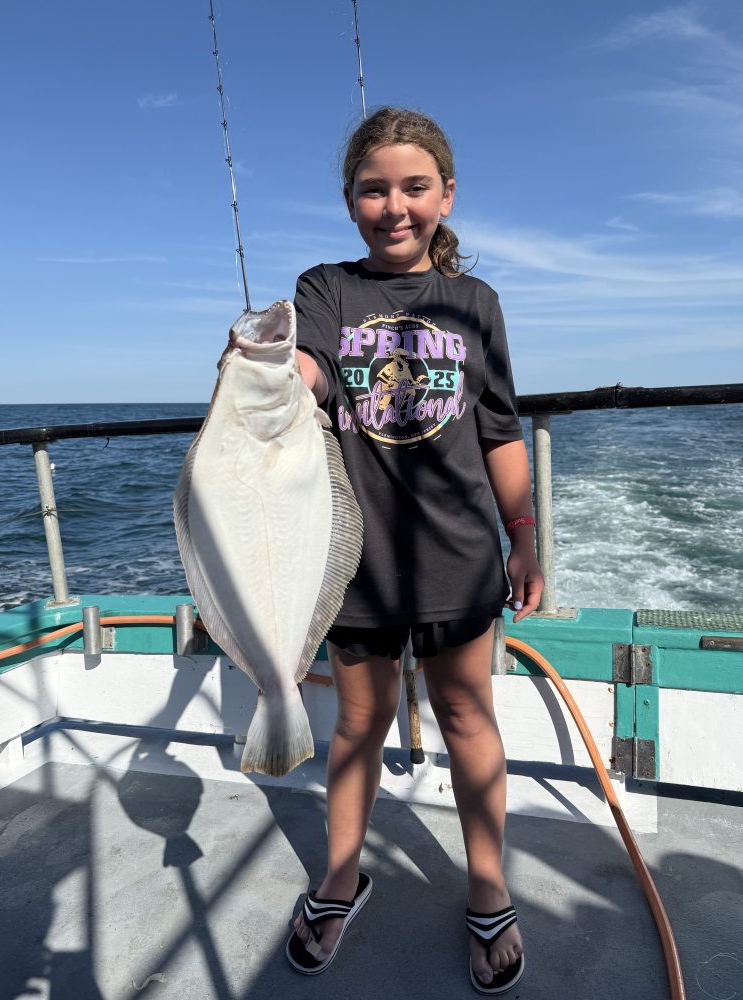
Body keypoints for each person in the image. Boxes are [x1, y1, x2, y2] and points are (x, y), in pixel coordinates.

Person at [285, 106, 544, 996]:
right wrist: (276, 365)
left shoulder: (477, 304)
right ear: (351, 200)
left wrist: (526, 536)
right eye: (373, 189)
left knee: (469, 718)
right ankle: (341, 876)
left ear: (446, 194)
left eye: (413, 187)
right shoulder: (325, 289)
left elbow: (502, 431)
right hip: (353, 562)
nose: (394, 206)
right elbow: (311, 369)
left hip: (462, 555)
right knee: (358, 723)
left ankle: (486, 887)